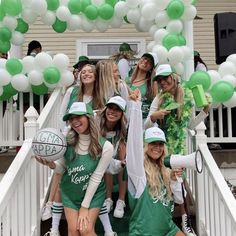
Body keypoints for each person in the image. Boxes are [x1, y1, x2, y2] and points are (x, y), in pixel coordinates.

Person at [144, 64, 210, 235]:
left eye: (165, 78)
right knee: (167, 185)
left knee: (180, 184)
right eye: (159, 80)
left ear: (173, 77)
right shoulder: (159, 98)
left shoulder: (187, 96)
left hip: (179, 147)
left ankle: (185, 222)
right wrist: (154, 116)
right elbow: (146, 125)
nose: (163, 82)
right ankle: (168, 220)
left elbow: (189, 125)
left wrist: (204, 112)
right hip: (161, 148)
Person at [36, 102, 113, 236]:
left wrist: (84, 207)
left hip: (93, 194)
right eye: (71, 118)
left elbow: (96, 177)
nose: (74, 121)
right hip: (70, 192)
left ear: (89, 117)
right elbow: (62, 168)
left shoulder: (106, 146)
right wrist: (51, 165)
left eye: (78, 116)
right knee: (73, 231)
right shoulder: (67, 141)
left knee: (86, 230)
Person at [126, 89, 185, 235]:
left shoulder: (165, 169)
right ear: (145, 145)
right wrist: (135, 107)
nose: (157, 147)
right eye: (152, 143)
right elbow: (133, 143)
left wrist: (174, 181)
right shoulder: (138, 171)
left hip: (168, 229)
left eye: (160, 144)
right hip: (144, 232)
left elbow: (179, 199)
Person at [96, 96, 128, 219]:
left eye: (117, 110)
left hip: (117, 146)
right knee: (106, 159)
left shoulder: (124, 125)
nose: (112, 112)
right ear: (106, 108)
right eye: (110, 108)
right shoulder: (97, 120)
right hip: (102, 151)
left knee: (122, 159)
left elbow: (124, 143)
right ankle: (108, 199)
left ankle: (121, 200)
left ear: (121, 113)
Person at [126, 52, 158, 119]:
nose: (145, 61)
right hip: (127, 118)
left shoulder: (152, 84)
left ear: (151, 68)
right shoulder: (127, 81)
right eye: (145, 58)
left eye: (150, 62)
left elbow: (156, 103)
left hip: (143, 119)